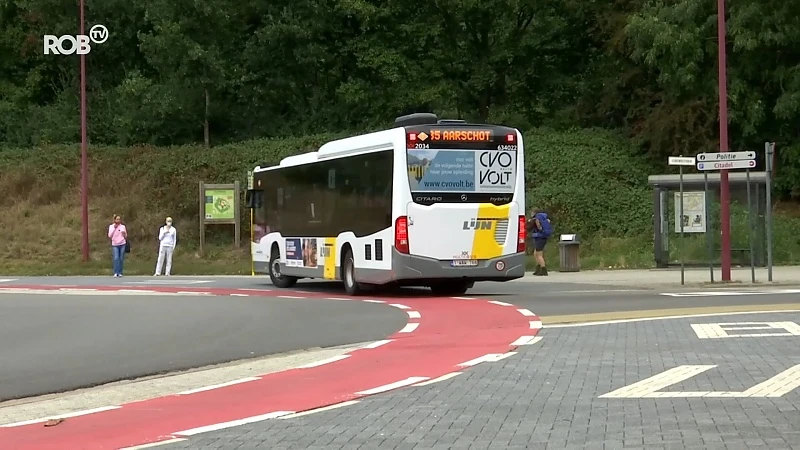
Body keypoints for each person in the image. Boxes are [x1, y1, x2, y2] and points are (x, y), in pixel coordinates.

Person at [527, 209, 553, 276]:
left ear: (535, 213)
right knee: (536, 253)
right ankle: (538, 269)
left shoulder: (537, 219)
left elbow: (538, 227)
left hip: (540, 237)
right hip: (543, 237)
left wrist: (532, 223)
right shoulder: (545, 218)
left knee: (539, 254)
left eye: (532, 212)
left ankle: (543, 270)